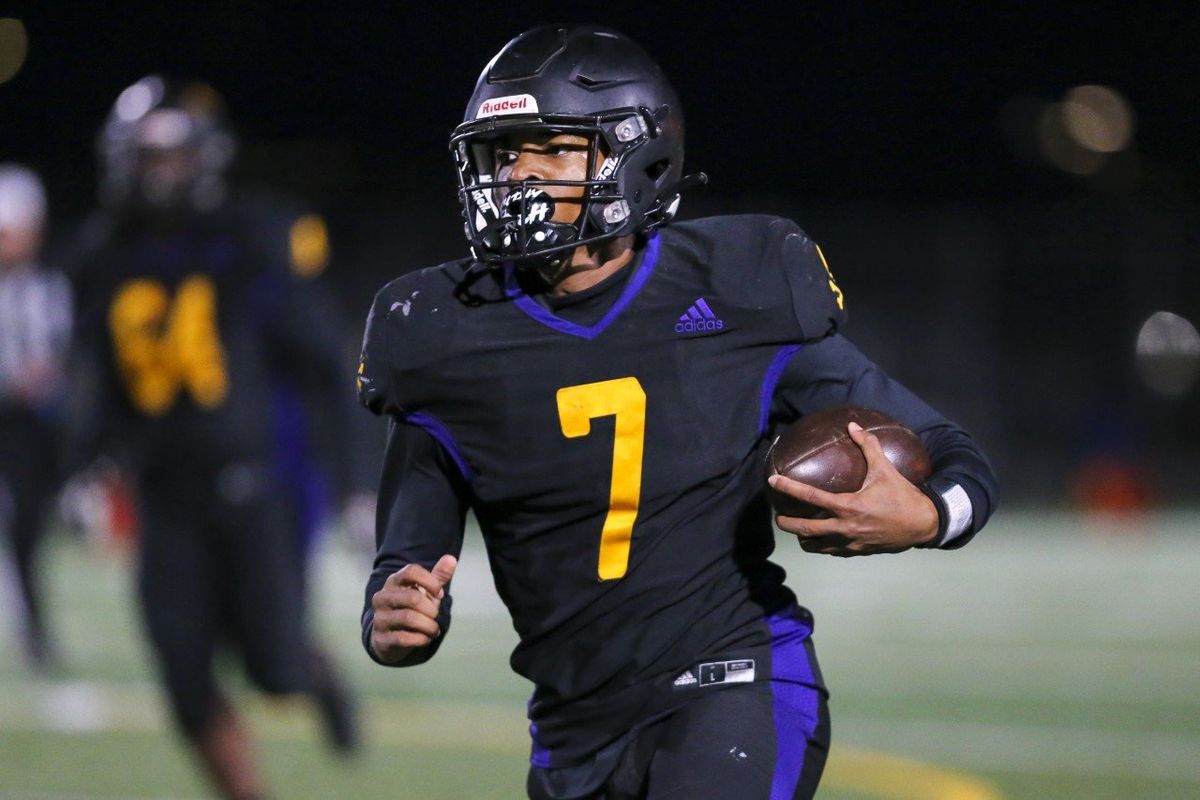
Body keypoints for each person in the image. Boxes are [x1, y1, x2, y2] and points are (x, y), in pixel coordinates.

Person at [357, 25, 998, 800]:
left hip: (734, 680)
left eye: (553, 150)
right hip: (572, 727)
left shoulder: (739, 287)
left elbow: (952, 452)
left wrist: (931, 517)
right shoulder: (437, 333)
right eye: (503, 154)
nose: (519, 177)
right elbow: (408, 562)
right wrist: (394, 619)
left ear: (639, 156)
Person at [69, 75, 359, 800]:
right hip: (163, 497)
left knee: (275, 672)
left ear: (204, 157)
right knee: (184, 679)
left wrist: (355, 482)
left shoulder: (251, 235)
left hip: (257, 486)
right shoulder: (102, 254)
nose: (161, 171)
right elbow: (100, 380)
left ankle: (312, 669)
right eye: (148, 156)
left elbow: (327, 363)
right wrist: (85, 465)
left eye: (173, 155)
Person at [0, 163, 73, 673]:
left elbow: (47, 371)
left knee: (25, 532)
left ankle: (34, 634)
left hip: (22, 428)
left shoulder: (46, 290)